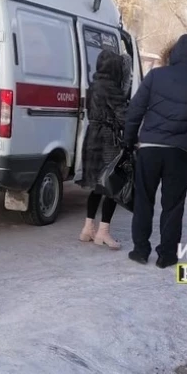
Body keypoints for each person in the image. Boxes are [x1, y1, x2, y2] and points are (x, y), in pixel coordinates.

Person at [123, 34, 187, 268]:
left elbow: (135, 110)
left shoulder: (155, 76)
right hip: (180, 153)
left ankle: (141, 249)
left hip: (149, 149)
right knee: (173, 206)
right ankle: (167, 254)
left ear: (173, 52)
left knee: (144, 200)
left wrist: (129, 140)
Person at [77, 50, 130, 250]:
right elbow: (123, 116)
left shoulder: (93, 85)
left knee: (96, 186)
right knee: (111, 186)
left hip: (92, 137)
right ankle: (103, 232)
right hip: (109, 140)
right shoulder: (112, 88)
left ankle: (87, 228)